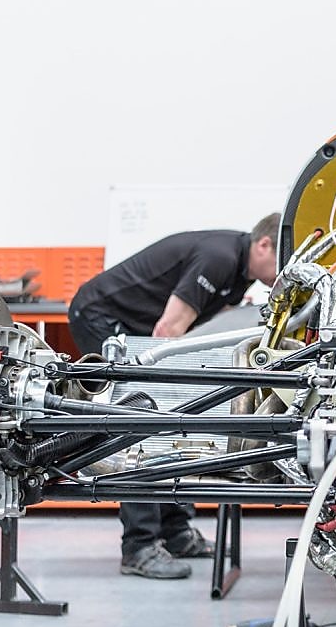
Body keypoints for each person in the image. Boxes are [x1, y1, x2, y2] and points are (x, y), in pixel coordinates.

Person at [67, 213, 281, 579]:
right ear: (264, 245)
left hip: (137, 328)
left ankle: (177, 532)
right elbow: (168, 330)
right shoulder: (220, 258)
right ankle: (139, 547)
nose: (283, 273)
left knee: (172, 421)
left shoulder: (236, 273)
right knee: (139, 424)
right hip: (101, 318)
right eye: (283, 260)